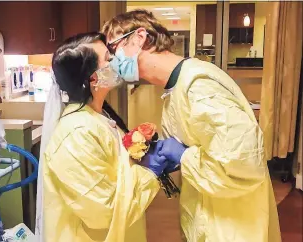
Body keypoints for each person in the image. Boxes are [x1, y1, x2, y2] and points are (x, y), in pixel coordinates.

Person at [102, 10, 281, 242]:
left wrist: (183, 155)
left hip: (233, 222)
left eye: (113, 49)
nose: (112, 61)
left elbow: (244, 163)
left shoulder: (199, 85)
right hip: (209, 208)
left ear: (139, 37)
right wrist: (170, 156)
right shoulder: (175, 87)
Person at [35, 32, 171, 242]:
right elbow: (104, 211)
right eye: (108, 59)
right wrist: (150, 171)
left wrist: (140, 151)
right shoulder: (76, 135)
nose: (116, 61)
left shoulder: (98, 117)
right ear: (93, 78)